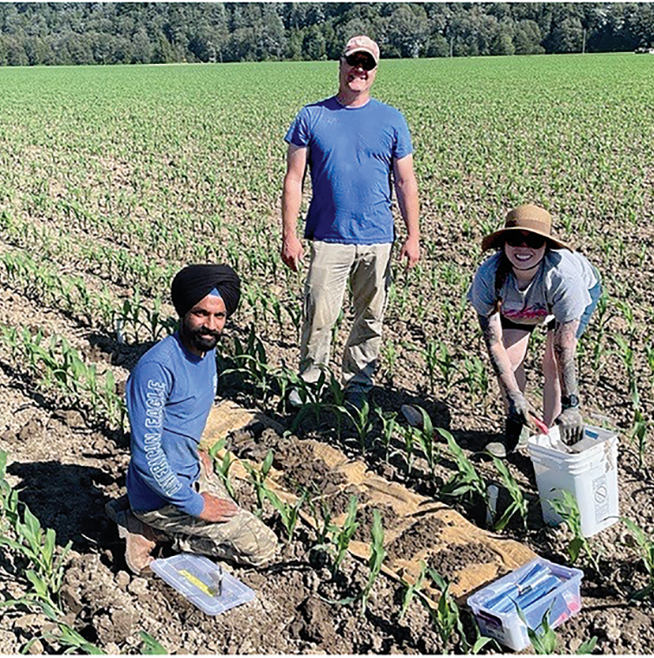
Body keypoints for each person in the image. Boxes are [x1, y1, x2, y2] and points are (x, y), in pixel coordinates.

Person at [106, 264, 277, 574]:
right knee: (263, 546)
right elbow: (146, 456)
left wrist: (191, 448)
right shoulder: (156, 369)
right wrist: (197, 507)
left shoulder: (205, 351)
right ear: (183, 312)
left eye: (219, 316)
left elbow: (179, 418)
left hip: (188, 471)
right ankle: (150, 528)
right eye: (201, 313)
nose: (210, 325)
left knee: (233, 512)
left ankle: (148, 516)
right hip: (160, 495)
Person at [281, 35, 421, 408]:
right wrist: (289, 235)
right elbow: (294, 179)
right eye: (353, 61)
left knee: (370, 316)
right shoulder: (311, 116)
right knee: (318, 315)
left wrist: (413, 235)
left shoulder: (391, 119)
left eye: (367, 63)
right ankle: (310, 380)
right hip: (329, 237)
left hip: (378, 237)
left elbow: (406, 181)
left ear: (375, 71)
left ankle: (358, 383)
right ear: (340, 64)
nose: (359, 69)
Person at [468, 204, 602, 456]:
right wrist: (513, 395)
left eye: (535, 241)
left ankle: (551, 439)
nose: (523, 248)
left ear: (546, 246)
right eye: (515, 239)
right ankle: (516, 431)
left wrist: (571, 406)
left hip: (565, 296)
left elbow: (565, 347)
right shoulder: (489, 275)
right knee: (509, 358)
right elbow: (494, 343)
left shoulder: (565, 278)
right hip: (522, 302)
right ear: (504, 243)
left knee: (552, 362)